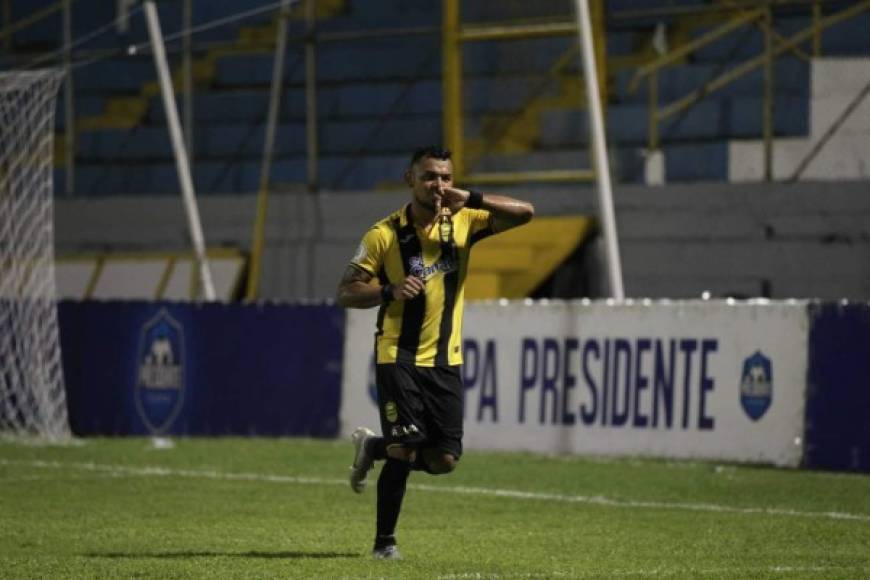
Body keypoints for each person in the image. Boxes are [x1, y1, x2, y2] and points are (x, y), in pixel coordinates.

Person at [336, 145, 534, 560]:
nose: (438, 184)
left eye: (445, 176)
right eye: (429, 176)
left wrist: (474, 198)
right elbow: (346, 292)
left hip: (445, 358)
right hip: (398, 354)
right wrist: (388, 290)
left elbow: (525, 213)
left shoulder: (464, 221)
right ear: (411, 180)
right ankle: (384, 545)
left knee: (444, 459)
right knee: (405, 450)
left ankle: (372, 448)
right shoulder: (384, 234)